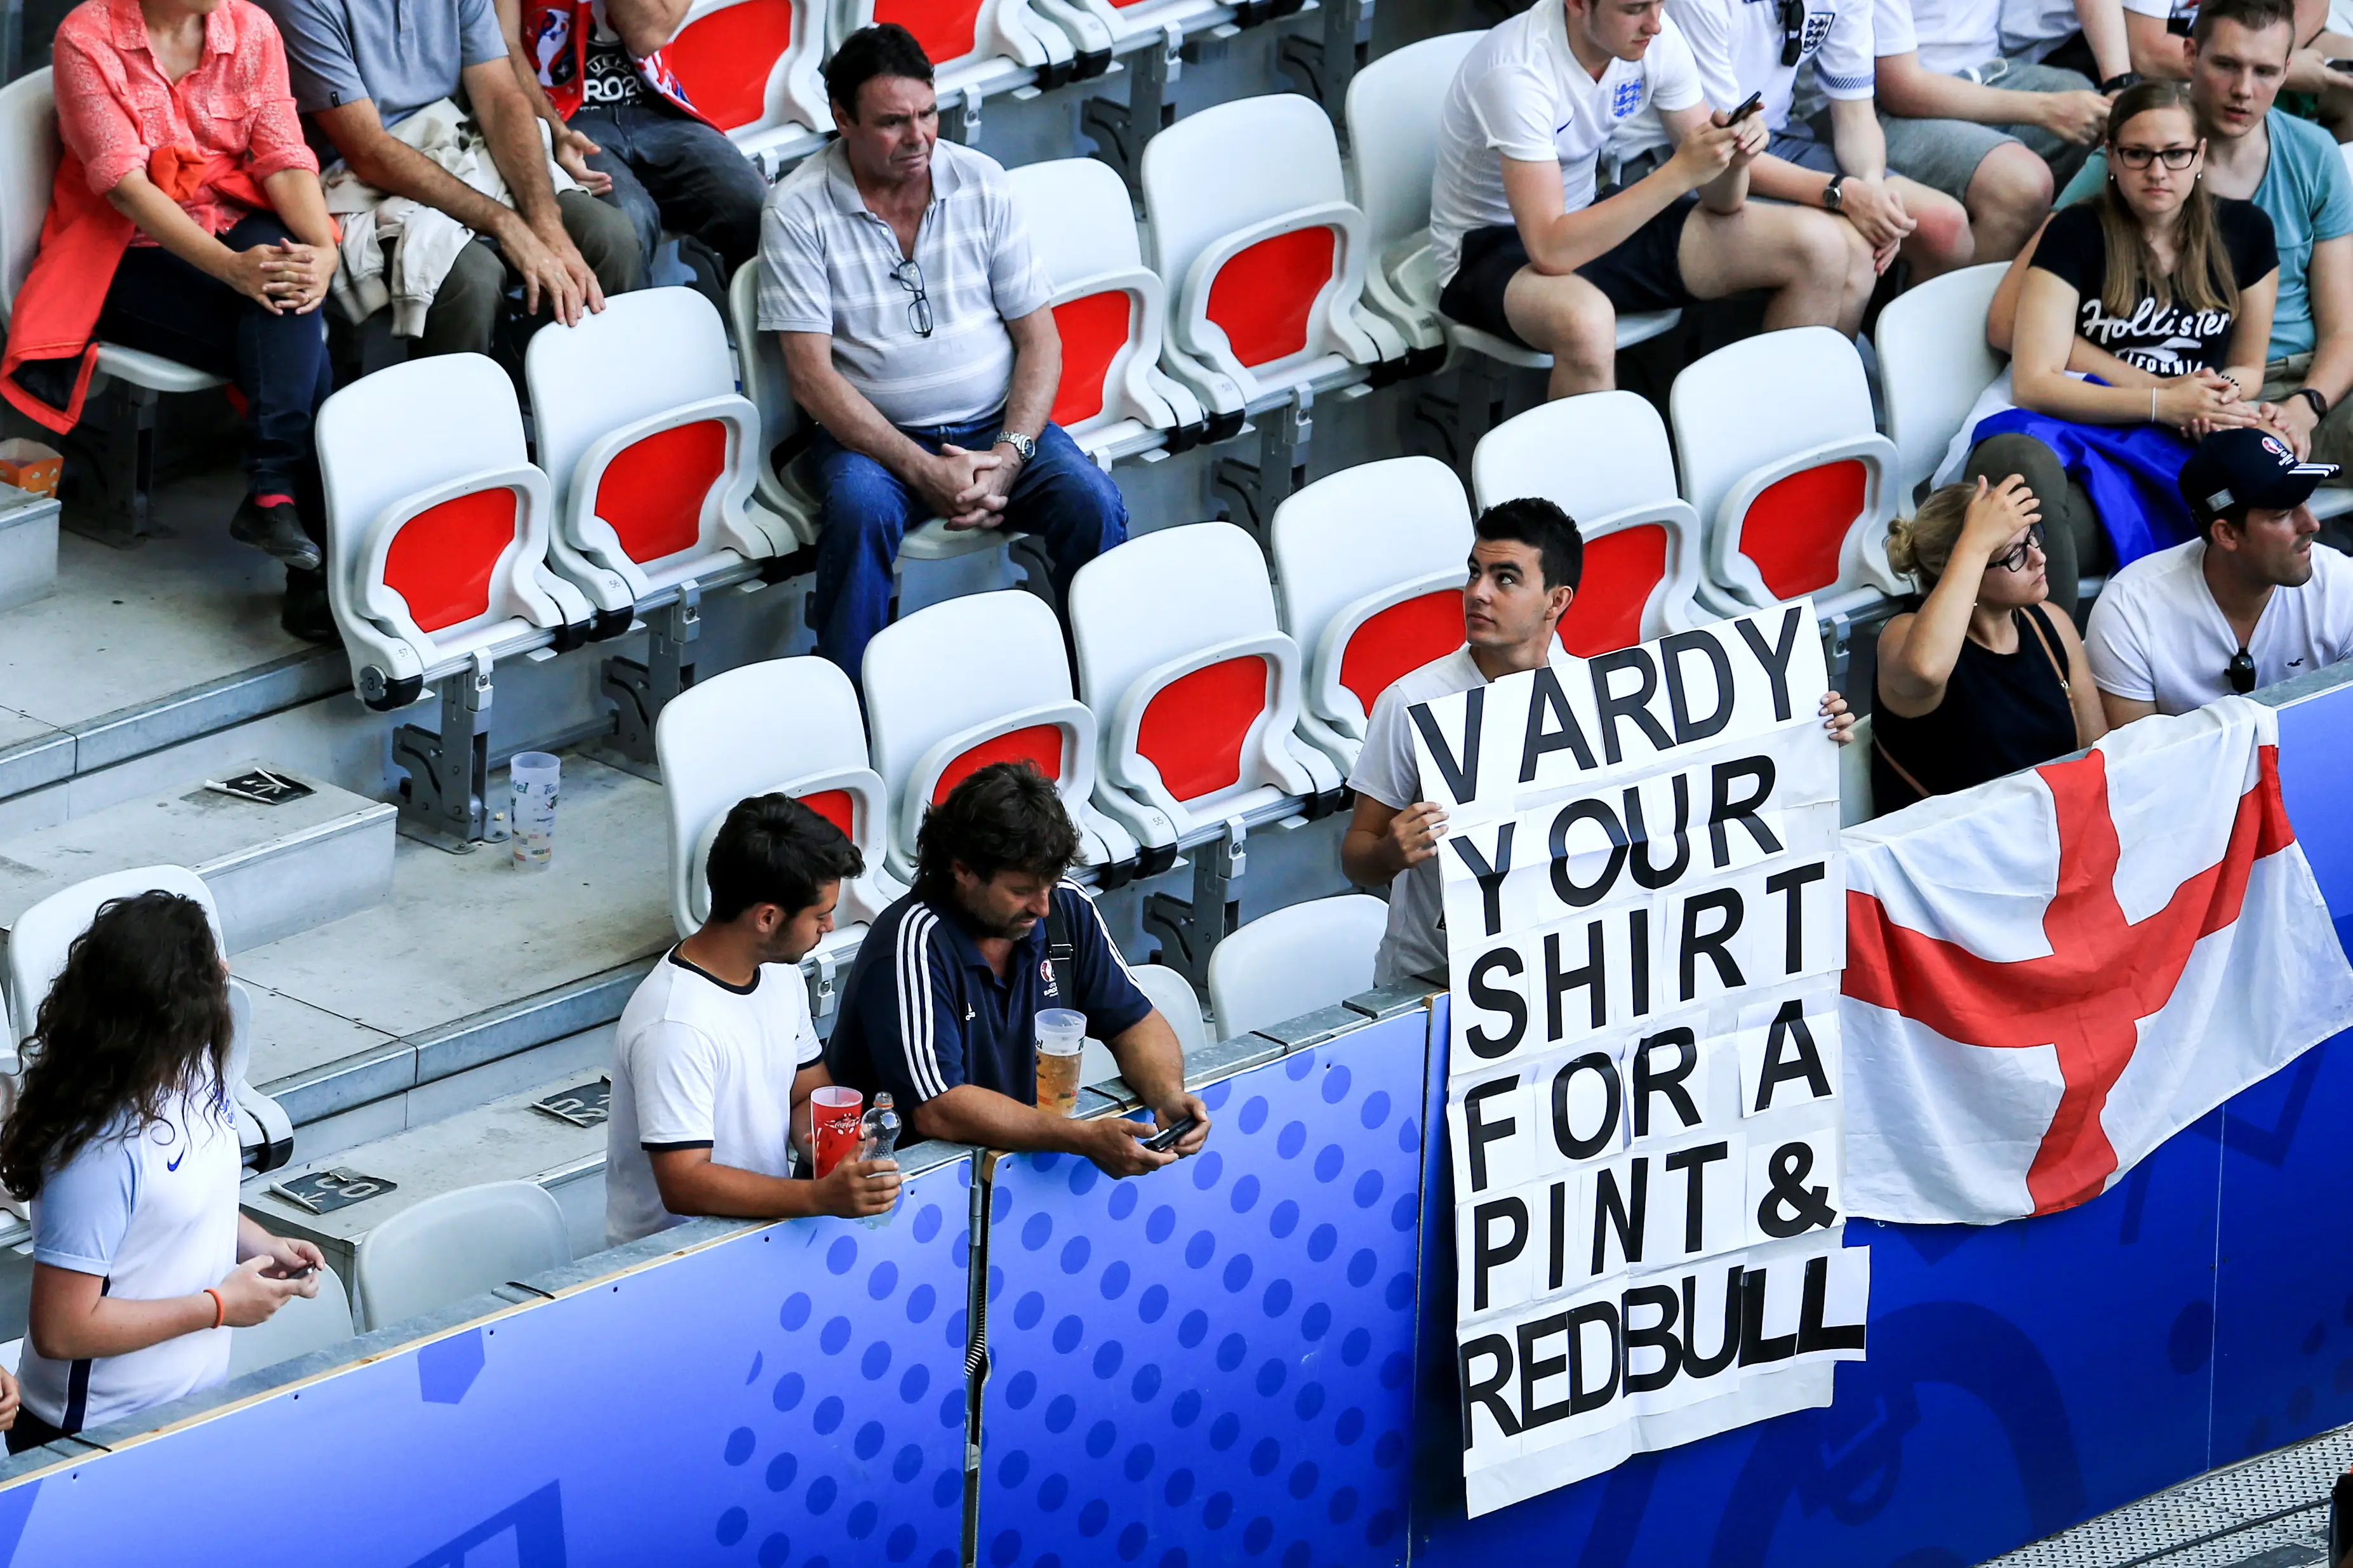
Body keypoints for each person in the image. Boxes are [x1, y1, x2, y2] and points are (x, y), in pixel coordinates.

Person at [1341, 497, 1856, 984]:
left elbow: (1702, 788)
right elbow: (1355, 855)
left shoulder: (1596, 697)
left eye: (1505, 579)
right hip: (1432, 981)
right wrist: (1391, 853)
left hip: (1556, 977)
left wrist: (1806, 729)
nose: (1478, 592)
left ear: (1557, 600)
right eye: (1475, 572)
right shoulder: (1410, 702)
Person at [761, 25, 1130, 679]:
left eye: (928, 114)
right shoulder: (797, 209)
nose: (919, 137)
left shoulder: (980, 181)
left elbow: (1040, 339)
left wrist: (1010, 457)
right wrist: (922, 468)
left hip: (994, 428)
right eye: (893, 122)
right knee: (861, 510)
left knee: (1093, 501)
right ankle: (851, 702)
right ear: (842, 119)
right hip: (872, 441)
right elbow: (811, 378)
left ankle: (1105, 680)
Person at [1, 0, 338, 620]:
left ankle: (276, 503)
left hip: (228, 218)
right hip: (120, 251)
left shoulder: (250, 28)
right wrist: (233, 270)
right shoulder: (88, 35)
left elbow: (284, 154)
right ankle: (308, 567)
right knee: (298, 353)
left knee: (289, 288)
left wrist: (322, 252)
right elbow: (125, 189)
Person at [1427, 0, 1876, 405]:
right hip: (1487, 249)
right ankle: (1586, 475)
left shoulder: (1654, 38)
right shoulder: (1518, 72)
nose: (1655, 24)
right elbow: (1550, 250)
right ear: (1578, 4)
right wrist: (1682, 171)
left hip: (1586, 214)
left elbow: (1723, 202)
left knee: (1820, 245)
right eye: (1634, 9)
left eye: (1659, 4)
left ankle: (1775, 446)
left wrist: (1734, 158)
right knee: (1586, 322)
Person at [0, 893, 321, 1454]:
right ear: (172, 1005)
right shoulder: (96, 1148)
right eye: (207, 964)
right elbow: (61, 1330)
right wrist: (220, 1308)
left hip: (190, 1409)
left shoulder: (199, 1069)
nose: (225, 968)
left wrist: (263, 1246)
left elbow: (182, 1205)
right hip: (93, 1437)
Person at [1970, 79, 2281, 615]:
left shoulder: (2246, 230)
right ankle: (2056, 653)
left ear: (2200, 154)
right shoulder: (2076, 229)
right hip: (2077, 415)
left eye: (2175, 153)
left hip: (2185, 433)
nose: (2157, 171)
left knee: (2264, 476)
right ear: (2112, 156)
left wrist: (2215, 399)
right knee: (2026, 482)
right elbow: (2034, 382)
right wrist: (2163, 401)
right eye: (2138, 154)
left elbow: (2248, 366)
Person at [824, 762, 1211, 1177]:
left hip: (1015, 1174)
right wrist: (1080, 1137)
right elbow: (940, 1110)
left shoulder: (1066, 909)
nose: (1042, 907)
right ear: (963, 869)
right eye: (1021, 890)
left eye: (1050, 883)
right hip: (913, 1193)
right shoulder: (910, 943)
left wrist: (1167, 1096)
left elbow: (1134, 1023)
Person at [2047, 0, 2353, 484]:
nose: (2243, 89)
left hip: (2309, 388)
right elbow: (2013, 318)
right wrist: (2164, 393)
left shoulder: (2313, 153)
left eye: (2265, 71)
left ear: (2287, 71)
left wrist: (2307, 406)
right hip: (2195, 398)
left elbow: (2344, 329)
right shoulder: (2141, 157)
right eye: (2226, 64)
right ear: (2190, 55)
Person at [260, 0, 642, 357]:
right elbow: (368, 151)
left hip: (457, 141)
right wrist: (505, 223)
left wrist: (546, 222)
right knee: (471, 280)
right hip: (356, 181)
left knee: (609, 237)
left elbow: (501, 97)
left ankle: (573, 392)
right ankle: (460, 405)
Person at [606, 794, 903, 1247]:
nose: (828, 927)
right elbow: (685, 1184)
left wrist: (825, 1144)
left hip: (759, 1237)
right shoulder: (674, 1026)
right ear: (767, 918)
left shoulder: (781, 975)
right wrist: (819, 1196)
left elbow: (804, 1092)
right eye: (821, 915)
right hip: (673, 1263)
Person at [1615, 0, 1976, 280]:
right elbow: (1718, 146)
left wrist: (1871, 189)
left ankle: (1872, 353)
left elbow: (1855, 116)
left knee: (1943, 226)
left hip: (1775, 139)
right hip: (1676, 157)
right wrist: (1843, 194)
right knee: (1846, 245)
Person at [2086, 424, 2353, 718]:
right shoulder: (2130, 611)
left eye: (2305, 502)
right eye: (2282, 514)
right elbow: (2134, 746)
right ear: (2226, 534)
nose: (2312, 524)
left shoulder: (2341, 584)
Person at [1872, 474, 2109, 805]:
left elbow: (2098, 756)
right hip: (1951, 836)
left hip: (2050, 829)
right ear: (1962, 567)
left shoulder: (2050, 623)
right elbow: (1927, 670)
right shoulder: (1903, 635)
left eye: (2033, 537)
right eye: (2014, 554)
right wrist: (1976, 543)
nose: (2038, 558)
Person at [498, 0, 771, 282]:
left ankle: (768, 310)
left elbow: (646, 36)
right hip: (565, 117)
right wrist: (555, 131)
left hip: (659, 109)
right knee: (627, 225)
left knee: (757, 208)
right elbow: (504, 46)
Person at [1869, 0, 2118, 263]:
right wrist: (2045, 109)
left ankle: (2056, 277)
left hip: (1990, 70)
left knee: (2103, 123)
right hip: (1882, 108)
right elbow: (1901, 89)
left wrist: (2119, 84)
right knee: (2022, 185)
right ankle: (1981, 290)